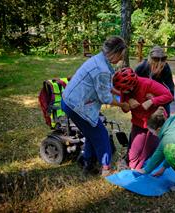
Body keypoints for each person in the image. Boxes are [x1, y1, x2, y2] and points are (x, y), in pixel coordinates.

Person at [61, 36, 129, 177]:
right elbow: (105, 97)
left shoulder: (99, 59)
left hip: (71, 100)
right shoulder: (102, 69)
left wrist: (120, 92)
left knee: (91, 132)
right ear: (114, 53)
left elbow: (105, 86)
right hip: (77, 105)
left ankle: (87, 161)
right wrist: (122, 104)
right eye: (121, 56)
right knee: (100, 134)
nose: (121, 59)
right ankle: (106, 169)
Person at [113, 67, 173, 170]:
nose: (123, 92)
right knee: (133, 153)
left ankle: (145, 170)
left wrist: (152, 101)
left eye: (125, 91)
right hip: (138, 123)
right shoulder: (124, 89)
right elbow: (125, 110)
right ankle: (133, 171)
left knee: (147, 152)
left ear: (132, 86)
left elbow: (169, 96)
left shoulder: (147, 84)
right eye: (121, 90)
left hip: (154, 123)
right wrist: (127, 103)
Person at [135, 46, 174, 116]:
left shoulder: (166, 67)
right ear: (150, 60)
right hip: (144, 101)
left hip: (161, 100)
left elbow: (171, 92)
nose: (159, 67)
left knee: (164, 121)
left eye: (161, 65)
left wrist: (156, 98)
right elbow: (134, 87)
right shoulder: (141, 68)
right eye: (155, 65)